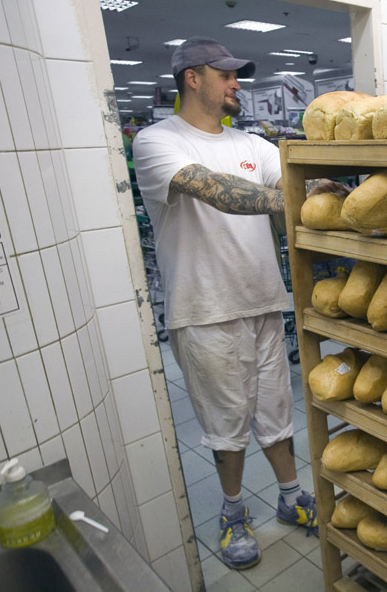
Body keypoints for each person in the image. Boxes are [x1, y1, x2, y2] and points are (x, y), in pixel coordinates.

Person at [132, 37, 315, 570]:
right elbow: (214, 189)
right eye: (226, 75)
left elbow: (291, 183)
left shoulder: (253, 143)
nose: (237, 85)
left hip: (262, 301)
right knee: (226, 423)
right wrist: (293, 199)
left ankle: (289, 496)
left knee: (276, 413)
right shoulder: (157, 141)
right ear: (193, 78)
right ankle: (234, 511)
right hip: (204, 309)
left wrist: (328, 188)